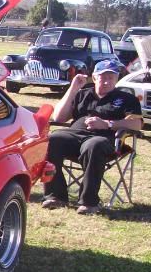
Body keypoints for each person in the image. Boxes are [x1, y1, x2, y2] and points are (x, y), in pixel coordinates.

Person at [42, 60, 142, 215]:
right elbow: (59, 117)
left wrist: (107, 124)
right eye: (103, 77)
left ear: (117, 79)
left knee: (94, 145)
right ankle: (56, 196)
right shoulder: (82, 94)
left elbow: (137, 124)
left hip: (105, 139)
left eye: (112, 77)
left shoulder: (126, 98)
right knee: (52, 139)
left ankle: (89, 202)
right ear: (94, 78)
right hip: (75, 135)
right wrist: (73, 88)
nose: (107, 81)